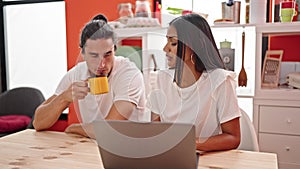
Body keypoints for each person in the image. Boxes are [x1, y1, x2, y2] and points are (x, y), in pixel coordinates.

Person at [33, 14, 147, 138]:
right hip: (92, 147)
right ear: (83, 53)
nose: (102, 63)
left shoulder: (129, 75)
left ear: (115, 49)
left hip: (129, 148)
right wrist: (64, 98)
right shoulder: (76, 74)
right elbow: (38, 123)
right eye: (94, 55)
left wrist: (74, 128)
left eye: (107, 54)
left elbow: (109, 131)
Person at [147, 14, 241, 152]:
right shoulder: (161, 79)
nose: (165, 49)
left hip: (206, 160)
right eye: (167, 42)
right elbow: (155, 131)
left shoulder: (220, 81)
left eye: (173, 43)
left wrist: (189, 144)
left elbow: (233, 138)